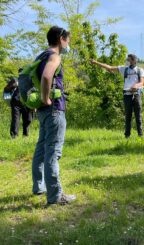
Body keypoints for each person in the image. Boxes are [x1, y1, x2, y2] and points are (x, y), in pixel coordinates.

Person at [32, 26, 76, 205]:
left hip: (42, 112)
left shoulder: (40, 56)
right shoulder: (54, 56)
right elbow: (46, 76)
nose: (68, 43)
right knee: (53, 152)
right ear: (60, 39)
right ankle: (55, 196)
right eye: (67, 39)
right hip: (54, 110)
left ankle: (39, 186)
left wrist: (42, 101)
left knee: (41, 149)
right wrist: (46, 98)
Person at [90, 54, 144, 138]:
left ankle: (140, 136)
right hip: (127, 95)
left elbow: (141, 82)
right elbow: (110, 68)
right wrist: (96, 63)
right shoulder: (124, 69)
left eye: (130, 60)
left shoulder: (139, 70)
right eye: (128, 60)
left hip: (136, 94)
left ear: (134, 60)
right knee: (128, 116)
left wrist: (136, 86)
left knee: (138, 116)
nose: (128, 61)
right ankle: (127, 136)